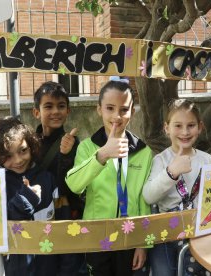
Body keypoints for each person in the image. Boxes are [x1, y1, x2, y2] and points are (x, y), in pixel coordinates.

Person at [66, 79, 153, 276]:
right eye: (110, 108)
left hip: (130, 235)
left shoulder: (144, 151)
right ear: (99, 110)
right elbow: (74, 184)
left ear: (132, 111)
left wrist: (143, 243)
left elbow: (143, 198)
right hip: (97, 235)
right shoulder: (87, 148)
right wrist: (102, 155)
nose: (117, 116)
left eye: (124, 109)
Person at [142, 99, 211, 276]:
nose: (185, 132)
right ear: (166, 128)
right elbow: (148, 196)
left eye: (191, 125)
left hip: (198, 232)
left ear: (200, 127)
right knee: (163, 272)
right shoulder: (161, 160)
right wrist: (171, 172)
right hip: (166, 233)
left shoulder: (208, 161)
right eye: (178, 126)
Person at [32, 81, 86, 275]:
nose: (55, 111)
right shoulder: (30, 142)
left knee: (68, 264)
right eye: (48, 106)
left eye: (61, 106)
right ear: (36, 112)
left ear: (68, 111)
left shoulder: (74, 143)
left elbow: (71, 185)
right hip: (37, 214)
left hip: (64, 213)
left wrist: (65, 155)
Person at [0, 116, 58, 275]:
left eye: (23, 150)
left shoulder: (47, 179)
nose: (18, 160)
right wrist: (25, 200)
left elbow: (63, 221)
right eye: (8, 156)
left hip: (49, 265)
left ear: (31, 145)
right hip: (15, 268)